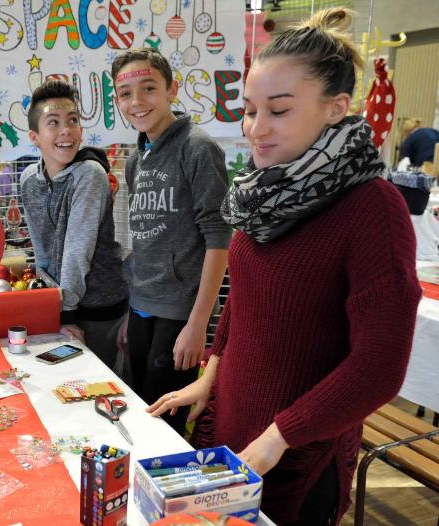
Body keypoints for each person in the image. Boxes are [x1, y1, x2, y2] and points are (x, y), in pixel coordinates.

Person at [148, 9, 421, 525]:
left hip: (298, 453)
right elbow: (244, 301)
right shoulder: (264, 192)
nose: (255, 128)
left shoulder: (372, 208)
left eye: (278, 110)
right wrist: (212, 374)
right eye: (250, 110)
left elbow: (380, 367)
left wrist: (280, 437)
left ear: (336, 108)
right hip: (234, 426)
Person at [111, 48, 231, 434]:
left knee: (166, 426)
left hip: (179, 315)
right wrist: (133, 310)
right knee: (138, 414)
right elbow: (144, 245)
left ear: (172, 90)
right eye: (125, 94)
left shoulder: (197, 147)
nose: (137, 102)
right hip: (143, 308)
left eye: (148, 88)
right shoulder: (136, 160)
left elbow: (218, 239)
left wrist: (197, 325)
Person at [19, 79, 128, 369]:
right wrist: (53, 306)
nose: (66, 130)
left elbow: (77, 251)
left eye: (73, 120)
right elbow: (40, 248)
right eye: (53, 122)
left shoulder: (89, 174)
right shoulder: (29, 179)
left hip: (99, 307)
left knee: (96, 386)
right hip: (60, 305)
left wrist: (65, 313)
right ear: (34, 136)